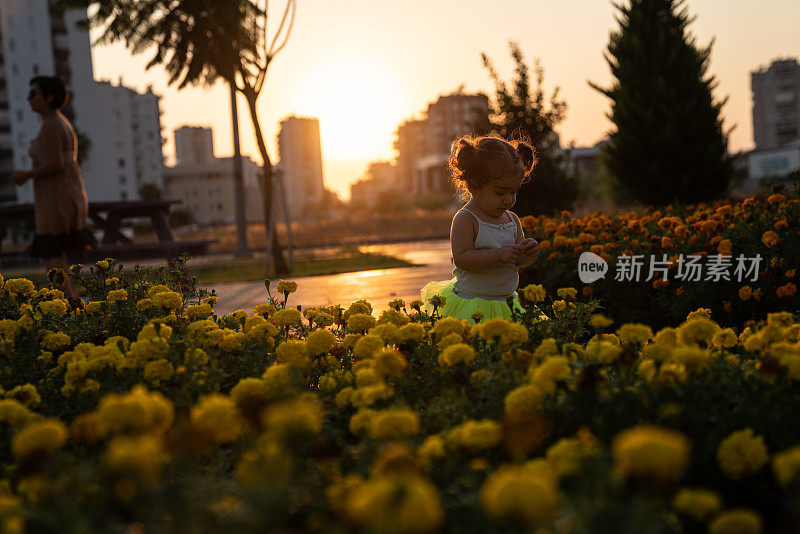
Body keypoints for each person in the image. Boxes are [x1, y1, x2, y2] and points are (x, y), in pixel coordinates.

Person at [420, 135, 545, 323]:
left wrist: (529, 254)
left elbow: (518, 261)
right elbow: (462, 259)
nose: (509, 199)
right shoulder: (467, 219)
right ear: (474, 186)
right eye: (500, 192)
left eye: (514, 191)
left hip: (507, 303)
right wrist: (498, 255)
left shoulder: (512, 220)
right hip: (473, 304)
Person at [10, 76, 96, 298]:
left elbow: (55, 164)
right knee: (54, 257)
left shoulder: (51, 126)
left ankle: (71, 304)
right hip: (63, 195)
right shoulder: (58, 122)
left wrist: (25, 175)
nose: (29, 99)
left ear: (48, 97)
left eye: (33, 94)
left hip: (57, 199)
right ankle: (71, 303)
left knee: (52, 256)